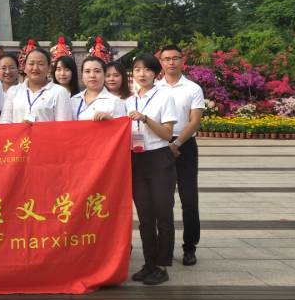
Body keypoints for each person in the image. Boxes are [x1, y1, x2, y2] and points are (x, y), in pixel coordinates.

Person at [124, 53, 178, 286]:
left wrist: (145, 119)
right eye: (137, 70)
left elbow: (167, 134)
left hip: (159, 158)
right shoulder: (128, 101)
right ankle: (149, 263)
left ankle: (162, 264)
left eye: (147, 70)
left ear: (157, 74)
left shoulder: (165, 97)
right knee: (145, 216)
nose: (142, 74)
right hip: (136, 159)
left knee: (162, 213)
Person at [156, 44, 205, 266]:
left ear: (182, 60)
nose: (171, 63)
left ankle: (189, 247)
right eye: (167, 59)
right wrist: (167, 142)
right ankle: (163, 246)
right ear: (161, 62)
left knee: (189, 199)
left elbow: (194, 121)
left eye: (175, 58)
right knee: (162, 201)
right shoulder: (154, 87)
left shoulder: (193, 88)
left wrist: (176, 142)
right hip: (159, 145)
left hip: (185, 145)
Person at [0, 48, 72, 123]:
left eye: (41, 64)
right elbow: (4, 122)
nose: (35, 68)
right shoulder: (13, 91)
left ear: (49, 68)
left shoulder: (59, 92)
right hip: (19, 134)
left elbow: (63, 126)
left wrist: (37, 129)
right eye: (31, 64)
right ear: (24, 67)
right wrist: (20, 128)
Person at [71, 57, 126, 121]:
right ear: (82, 76)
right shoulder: (73, 100)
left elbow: (122, 128)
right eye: (87, 71)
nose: (92, 75)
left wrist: (110, 120)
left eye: (97, 71)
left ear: (105, 75)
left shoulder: (115, 102)